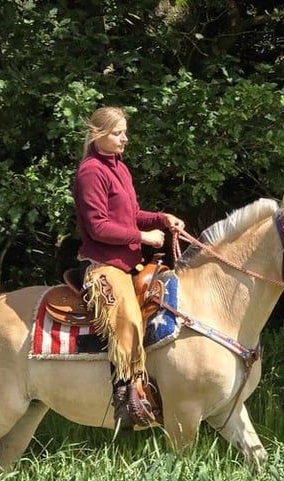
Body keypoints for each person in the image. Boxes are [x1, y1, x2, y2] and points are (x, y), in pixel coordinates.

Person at [71, 106, 185, 429]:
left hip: (129, 264)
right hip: (103, 267)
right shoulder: (91, 172)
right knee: (129, 318)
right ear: (99, 134)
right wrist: (143, 237)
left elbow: (131, 214)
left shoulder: (120, 168)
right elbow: (97, 227)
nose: (125, 138)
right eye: (118, 132)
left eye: (125, 132)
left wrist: (162, 219)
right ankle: (126, 397)